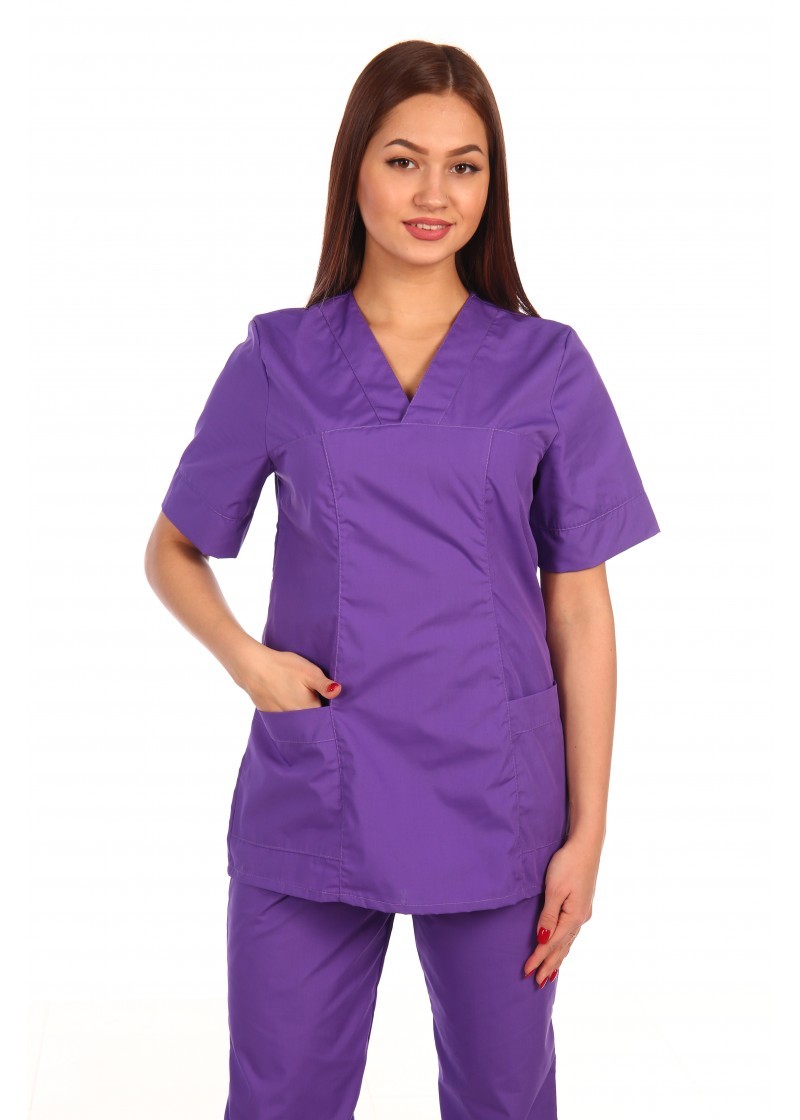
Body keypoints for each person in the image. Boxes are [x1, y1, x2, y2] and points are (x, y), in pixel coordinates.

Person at [145, 39, 660, 1120]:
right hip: (317, 782)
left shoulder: (547, 366)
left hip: (496, 796)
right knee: (280, 1099)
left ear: (490, 184)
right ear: (355, 172)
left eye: (464, 166)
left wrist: (588, 830)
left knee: (503, 1099)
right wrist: (247, 662)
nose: (435, 194)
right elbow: (173, 548)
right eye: (403, 160)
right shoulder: (279, 359)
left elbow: (579, 605)